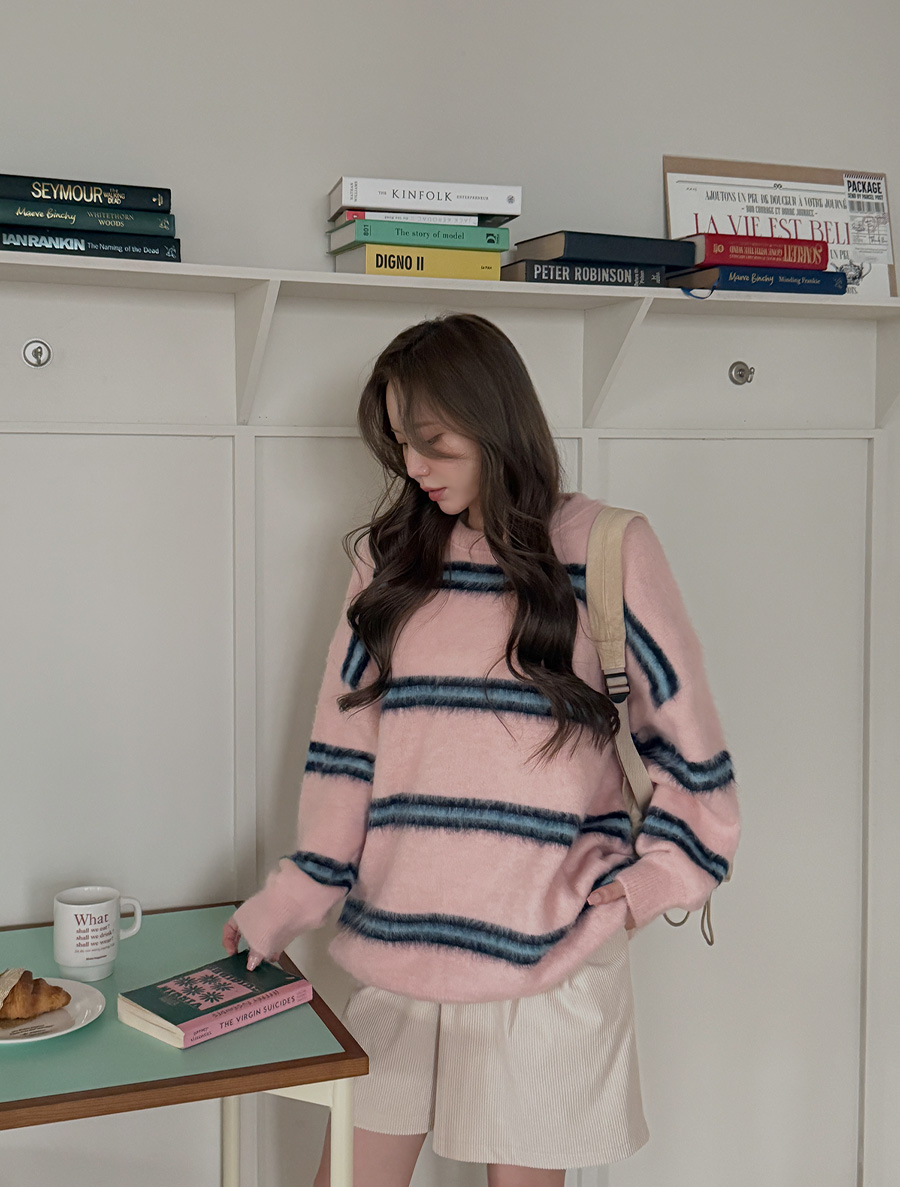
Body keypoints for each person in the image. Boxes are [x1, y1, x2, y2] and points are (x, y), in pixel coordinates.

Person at [224, 312, 740, 1187]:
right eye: (401, 443)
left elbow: (693, 755)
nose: (415, 466)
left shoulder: (607, 547)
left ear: (495, 420)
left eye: (432, 440)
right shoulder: (388, 559)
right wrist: (292, 897)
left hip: (551, 953)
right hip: (398, 942)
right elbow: (345, 752)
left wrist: (640, 892)